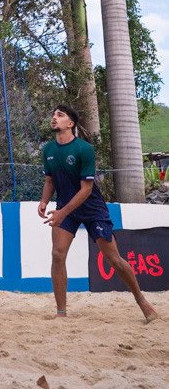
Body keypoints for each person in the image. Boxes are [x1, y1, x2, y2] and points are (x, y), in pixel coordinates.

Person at [39, 105, 158, 322]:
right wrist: (44, 201)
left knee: (113, 259)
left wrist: (62, 212)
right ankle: (61, 313)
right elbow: (49, 181)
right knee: (57, 254)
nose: (54, 118)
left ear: (70, 124)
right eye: (53, 114)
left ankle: (142, 302)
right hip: (66, 208)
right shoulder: (48, 150)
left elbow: (85, 190)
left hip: (92, 209)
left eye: (60, 115)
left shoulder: (84, 149)